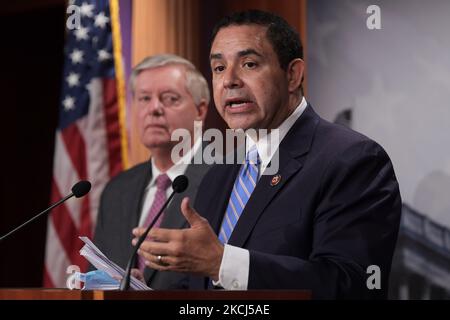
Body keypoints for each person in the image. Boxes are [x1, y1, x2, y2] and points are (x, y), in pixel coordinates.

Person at [133, 10, 402, 299]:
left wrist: (223, 262)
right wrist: (142, 292)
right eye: (219, 68)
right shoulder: (220, 173)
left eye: (249, 64)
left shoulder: (353, 161)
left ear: (293, 75)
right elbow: (199, 287)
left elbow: (351, 286)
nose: (229, 81)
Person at [93, 54, 210, 289]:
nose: (154, 108)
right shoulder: (117, 190)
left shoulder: (224, 179)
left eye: (169, 99)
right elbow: (100, 274)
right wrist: (87, 283)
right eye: (144, 98)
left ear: (200, 111)